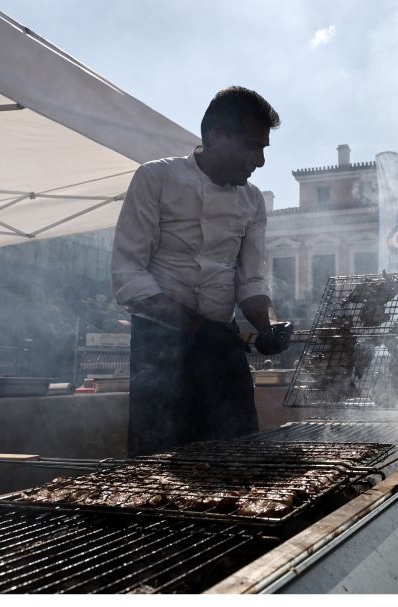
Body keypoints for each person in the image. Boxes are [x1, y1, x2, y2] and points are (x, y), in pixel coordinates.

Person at [111, 86, 293, 457]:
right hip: (159, 347)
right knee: (158, 460)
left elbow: (252, 281)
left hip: (222, 347)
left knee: (239, 453)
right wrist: (196, 327)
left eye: (263, 149)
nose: (259, 161)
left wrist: (269, 325)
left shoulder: (253, 200)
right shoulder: (155, 178)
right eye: (253, 146)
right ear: (217, 136)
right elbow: (128, 275)